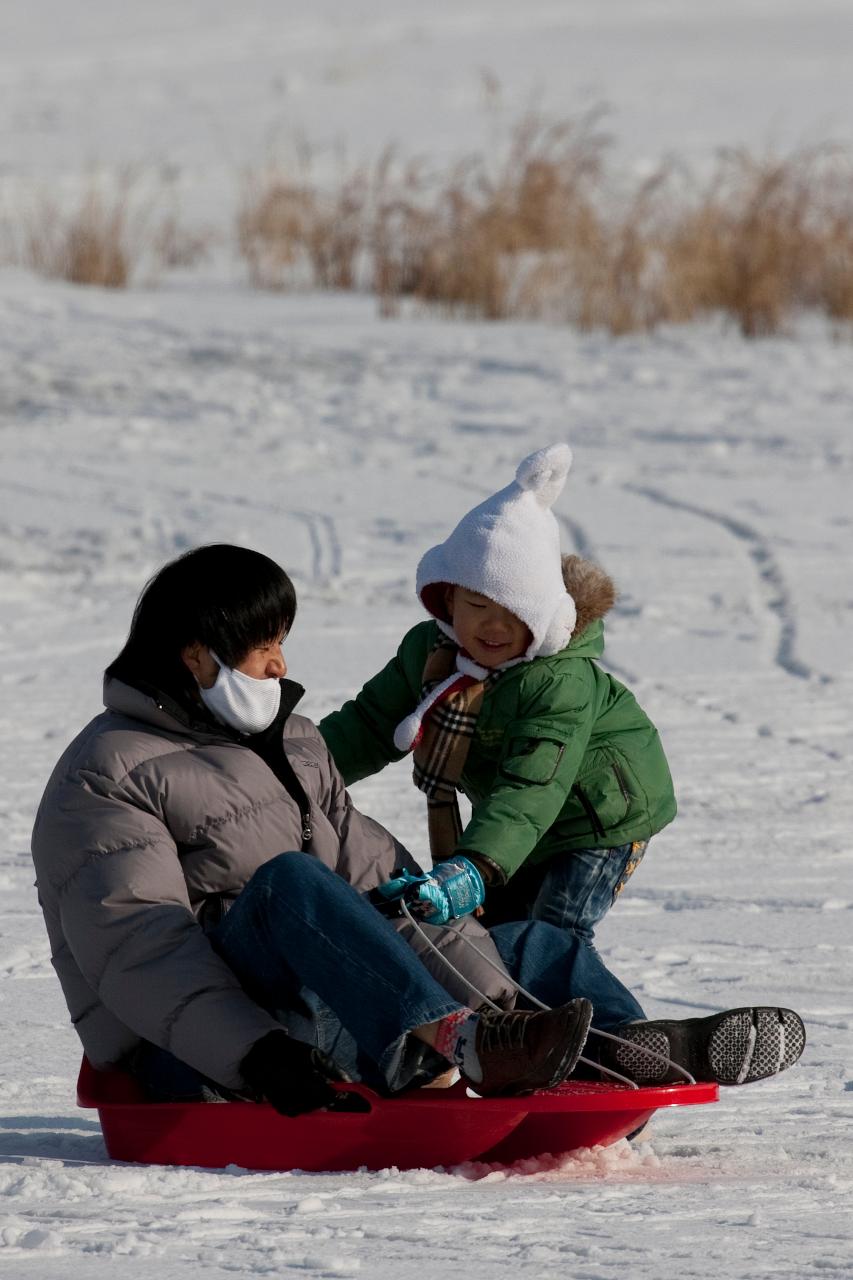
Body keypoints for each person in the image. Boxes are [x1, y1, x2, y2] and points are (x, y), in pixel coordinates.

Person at [31, 544, 805, 1118]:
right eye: (262, 645)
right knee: (292, 886)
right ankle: (450, 1045)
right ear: (197, 659)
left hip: (341, 1007)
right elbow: (139, 952)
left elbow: (377, 884)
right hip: (209, 1054)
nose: (279, 663)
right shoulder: (108, 772)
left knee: (523, 939)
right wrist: (258, 1056)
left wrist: (498, 1000)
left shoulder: (293, 744)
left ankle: (623, 1052)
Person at [319, 443, 675, 941]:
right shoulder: (430, 652)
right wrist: (292, 772)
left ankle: (604, 1019)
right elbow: (369, 724)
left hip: (597, 818)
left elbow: (531, 787)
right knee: (495, 936)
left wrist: (475, 866)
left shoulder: (557, 680)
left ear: (545, 616)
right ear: (447, 596)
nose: (494, 626)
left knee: (550, 935)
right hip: (516, 825)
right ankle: (516, 1016)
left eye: (516, 613)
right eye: (478, 604)